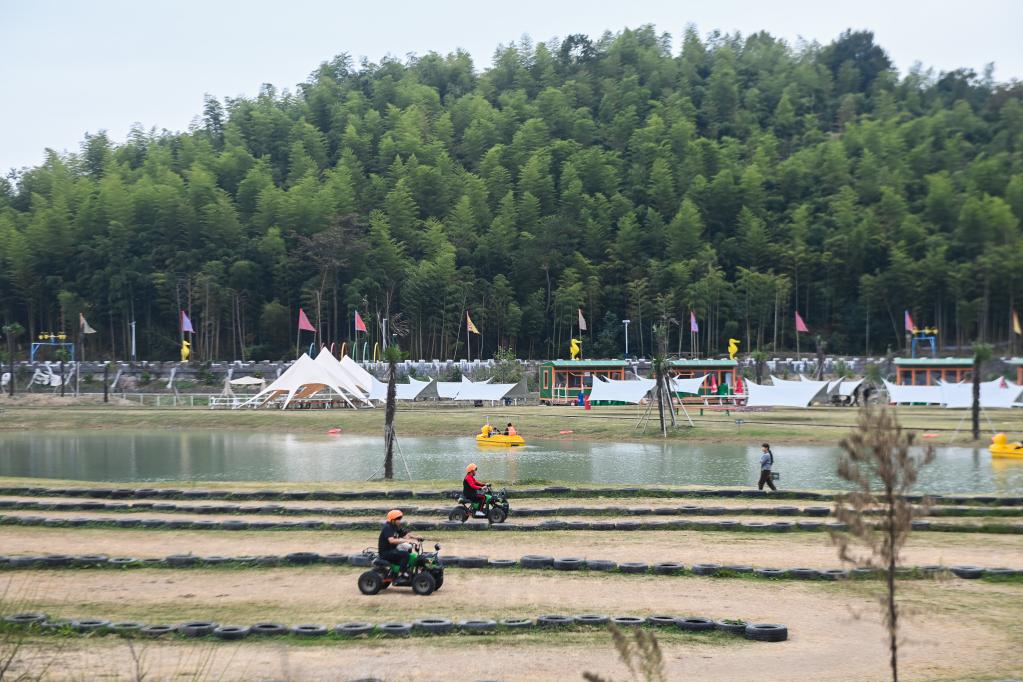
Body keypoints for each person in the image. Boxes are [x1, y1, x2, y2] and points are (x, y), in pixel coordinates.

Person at [378, 509, 423, 578]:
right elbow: (391, 540)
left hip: (392, 550)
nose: (400, 520)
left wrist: (416, 537)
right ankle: (401, 573)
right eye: (398, 519)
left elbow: (405, 535)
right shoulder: (387, 527)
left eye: (400, 518)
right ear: (392, 520)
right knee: (405, 555)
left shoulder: (395, 527)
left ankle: (406, 570)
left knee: (409, 552)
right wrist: (406, 541)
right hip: (385, 553)